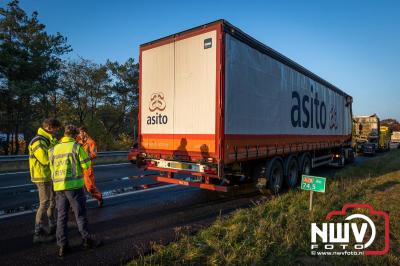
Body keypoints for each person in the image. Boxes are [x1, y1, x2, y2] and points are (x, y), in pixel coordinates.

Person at [49, 125, 102, 257]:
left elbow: (51, 167)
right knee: (80, 215)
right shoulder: (76, 147)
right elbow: (86, 164)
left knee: (61, 217)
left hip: (59, 187)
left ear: (65, 134)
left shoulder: (54, 148)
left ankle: (62, 246)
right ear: (74, 136)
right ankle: (87, 241)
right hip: (74, 187)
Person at [28, 118, 61, 243]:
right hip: (41, 176)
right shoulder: (38, 141)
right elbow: (44, 159)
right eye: (55, 128)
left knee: (52, 202)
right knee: (44, 203)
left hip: (49, 175)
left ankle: (53, 225)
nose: (56, 131)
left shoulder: (48, 139)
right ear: (48, 127)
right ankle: (38, 233)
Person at [76, 126, 103, 207]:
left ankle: (99, 197)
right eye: (80, 132)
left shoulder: (91, 142)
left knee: (90, 187)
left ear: (86, 132)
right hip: (76, 166)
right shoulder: (75, 140)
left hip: (87, 167)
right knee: (75, 186)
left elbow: (94, 154)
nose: (81, 134)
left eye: (83, 132)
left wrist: (84, 156)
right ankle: (75, 204)